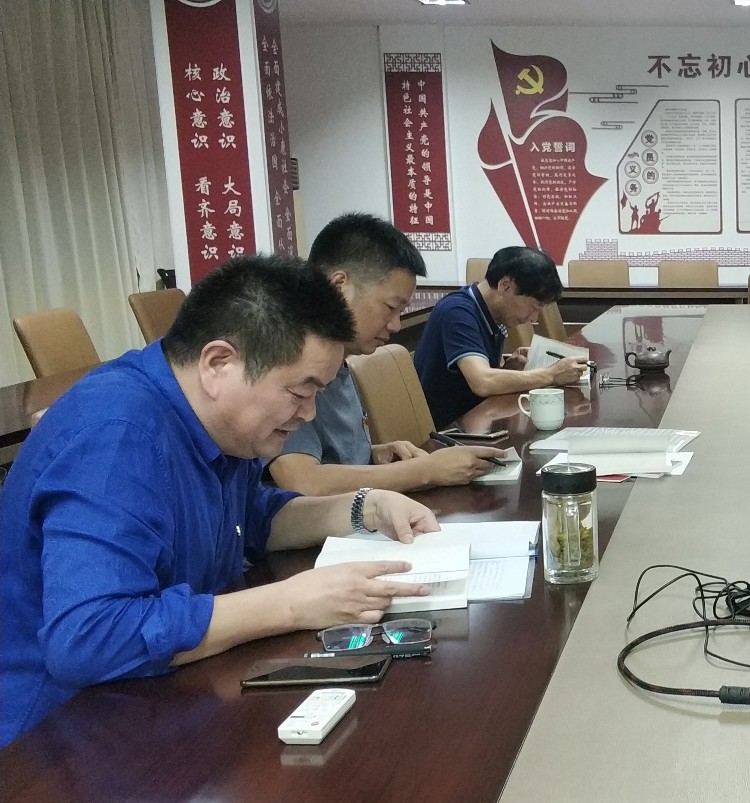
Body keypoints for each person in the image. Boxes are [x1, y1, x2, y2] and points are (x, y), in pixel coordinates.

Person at [0, 256, 440, 746]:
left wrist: (365, 507)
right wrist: (292, 603)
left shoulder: (220, 425)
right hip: (52, 738)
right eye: (300, 391)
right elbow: (88, 639)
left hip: (161, 697)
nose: (309, 413)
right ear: (218, 364)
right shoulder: (118, 435)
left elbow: (251, 518)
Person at [267, 213, 504, 495]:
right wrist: (425, 471)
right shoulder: (289, 360)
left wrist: (373, 453)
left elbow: (331, 455)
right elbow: (302, 482)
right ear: (339, 286)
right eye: (391, 307)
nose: (395, 325)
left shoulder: (341, 356)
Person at [413, 245, 587, 428]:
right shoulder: (457, 312)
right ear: (506, 286)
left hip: (478, 420)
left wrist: (508, 369)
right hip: (450, 431)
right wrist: (552, 374)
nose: (534, 318)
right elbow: (483, 382)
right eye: (534, 307)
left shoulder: (489, 313)